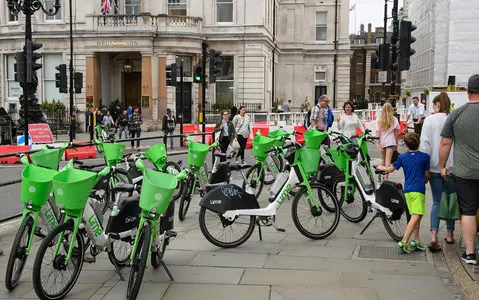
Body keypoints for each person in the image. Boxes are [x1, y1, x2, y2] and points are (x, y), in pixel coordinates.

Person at [439, 74, 479, 265]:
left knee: (469, 211)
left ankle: (470, 253)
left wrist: (442, 166)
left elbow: (446, 143)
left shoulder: (456, 114)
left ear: (468, 91)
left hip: (465, 172)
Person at [378, 132, 430, 253]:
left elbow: (390, 168)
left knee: (415, 216)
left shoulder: (402, 157)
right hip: (418, 191)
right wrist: (425, 179)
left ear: (405, 145)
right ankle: (404, 241)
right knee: (416, 215)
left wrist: (381, 168)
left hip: (407, 191)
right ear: (419, 142)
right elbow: (427, 175)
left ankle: (416, 240)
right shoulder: (425, 157)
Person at [419, 92, 455, 252]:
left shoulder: (429, 120)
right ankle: (449, 234)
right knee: (450, 201)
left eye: (434, 104)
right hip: (452, 167)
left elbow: (424, 144)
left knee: (436, 201)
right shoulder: (453, 119)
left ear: (438, 104)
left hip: (433, 166)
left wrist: (424, 168)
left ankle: (433, 235)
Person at [376, 102, 399, 179]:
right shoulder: (394, 119)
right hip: (391, 142)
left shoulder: (379, 119)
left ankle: (380, 176)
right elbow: (396, 133)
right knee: (388, 162)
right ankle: (385, 178)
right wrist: (396, 143)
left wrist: (377, 143)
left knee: (383, 159)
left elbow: (377, 132)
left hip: (382, 142)